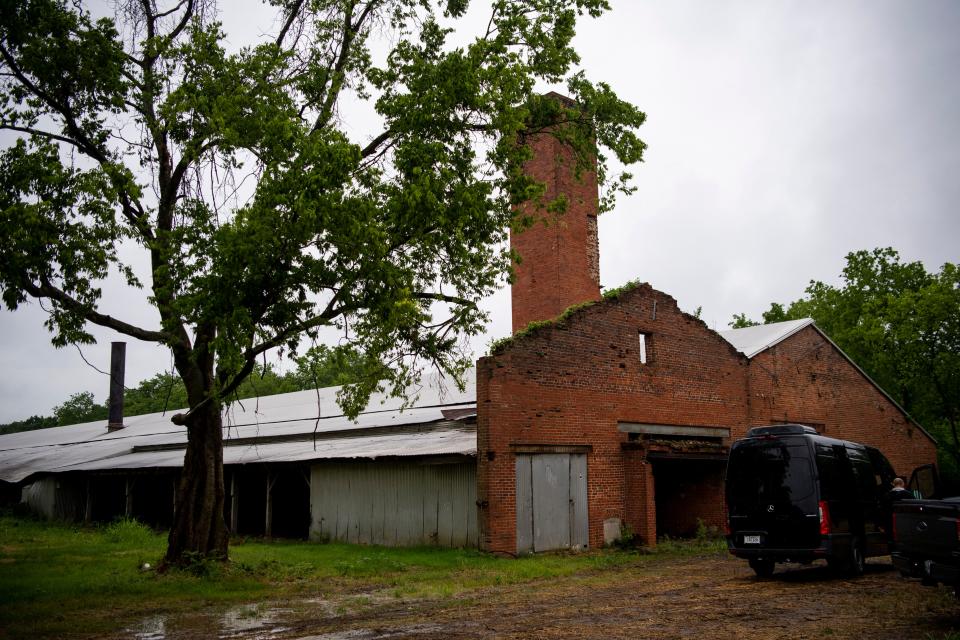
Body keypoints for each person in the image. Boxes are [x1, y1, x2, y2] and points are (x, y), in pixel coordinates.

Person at [885, 477, 913, 546]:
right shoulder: (909, 494)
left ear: (893, 484)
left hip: (890, 521)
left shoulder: (887, 495)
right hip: (906, 520)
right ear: (902, 484)